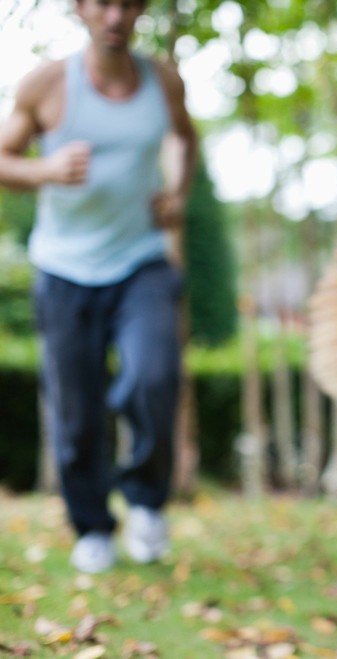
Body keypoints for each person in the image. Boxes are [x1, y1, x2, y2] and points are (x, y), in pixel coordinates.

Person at [0, 0, 198, 573]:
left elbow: (185, 137)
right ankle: (92, 527)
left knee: (155, 375)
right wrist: (45, 171)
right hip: (64, 270)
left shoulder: (161, 81)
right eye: (102, 2)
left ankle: (146, 502)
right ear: (80, 9)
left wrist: (178, 194)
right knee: (77, 411)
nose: (115, 15)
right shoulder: (49, 85)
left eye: (127, 3)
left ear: (140, 10)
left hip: (141, 261)